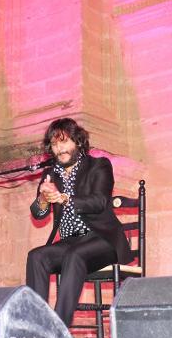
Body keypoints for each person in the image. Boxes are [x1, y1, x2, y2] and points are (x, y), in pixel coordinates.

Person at [26, 118, 133, 326]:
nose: (60, 149)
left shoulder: (99, 165)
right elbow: (38, 214)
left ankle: (58, 329)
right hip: (70, 241)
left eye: (64, 142)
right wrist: (43, 198)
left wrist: (64, 197)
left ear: (78, 141)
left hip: (102, 240)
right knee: (36, 256)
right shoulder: (50, 174)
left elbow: (100, 202)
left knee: (74, 256)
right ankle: (36, 326)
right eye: (55, 144)